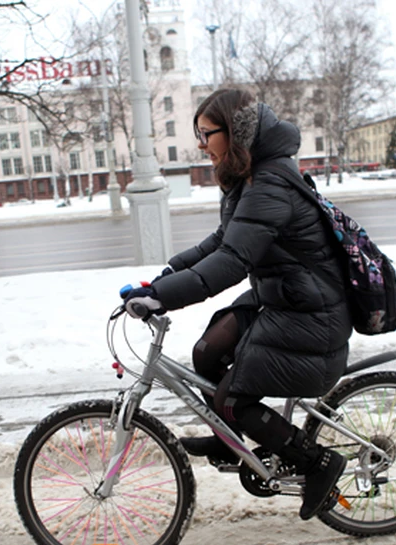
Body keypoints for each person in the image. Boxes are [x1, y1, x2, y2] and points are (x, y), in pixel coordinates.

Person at [121, 88, 352, 521]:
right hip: (284, 299)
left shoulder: (270, 184)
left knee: (231, 401)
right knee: (207, 353)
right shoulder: (251, 177)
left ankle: (317, 462)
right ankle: (230, 437)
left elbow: (232, 261)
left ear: (235, 132)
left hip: (311, 315)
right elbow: (222, 240)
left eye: (206, 133)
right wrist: (166, 278)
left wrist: (164, 297)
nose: (201, 144)